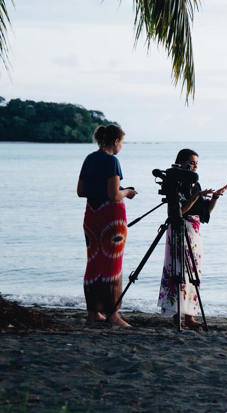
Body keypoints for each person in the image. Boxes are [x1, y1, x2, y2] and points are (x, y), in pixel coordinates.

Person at [157, 148, 227, 329]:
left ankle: (190, 317)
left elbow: (204, 213)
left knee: (193, 274)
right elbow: (178, 212)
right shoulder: (175, 182)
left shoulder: (194, 184)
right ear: (180, 163)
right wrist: (195, 197)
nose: (194, 167)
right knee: (179, 272)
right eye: (191, 163)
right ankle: (177, 318)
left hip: (194, 232)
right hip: (179, 230)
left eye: (196, 164)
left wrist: (215, 197)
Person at [77, 124, 137, 327]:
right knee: (112, 264)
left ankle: (93, 312)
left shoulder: (90, 158)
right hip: (111, 218)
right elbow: (113, 195)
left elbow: (81, 191)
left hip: (91, 216)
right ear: (115, 141)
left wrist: (104, 190)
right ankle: (113, 314)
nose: (121, 146)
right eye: (122, 142)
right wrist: (127, 191)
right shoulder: (112, 161)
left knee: (93, 262)